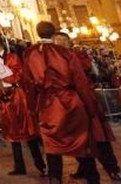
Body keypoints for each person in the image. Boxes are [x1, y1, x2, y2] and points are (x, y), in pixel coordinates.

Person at [23, 21, 99, 184]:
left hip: (48, 105)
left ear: (37, 33)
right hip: (71, 100)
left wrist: (32, 108)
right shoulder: (64, 53)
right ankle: (93, 178)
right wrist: (90, 107)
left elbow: (28, 84)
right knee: (82, 141)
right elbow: (81, 82)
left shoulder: (30, 54)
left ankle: (55, 178)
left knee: (52, 146)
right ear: (53, 33)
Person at [56, 32, 121, 181]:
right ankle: (85, 169)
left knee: (100, 139)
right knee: (78, 141)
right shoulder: (56, 60)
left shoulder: (78, 55)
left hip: (86, 100)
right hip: (71, 104)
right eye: (57, 41)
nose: (60, 43)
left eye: (63, 40)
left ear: (69, 42)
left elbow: (85, 69)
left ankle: (113, 169)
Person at [0, 33, 46, 176]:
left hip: (17, 98)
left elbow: (18, 74)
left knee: (28, 132)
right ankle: (19, 166)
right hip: (4, 101)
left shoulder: (12, 57)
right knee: (12, 133)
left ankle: (40, 165)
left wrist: (4, 75)